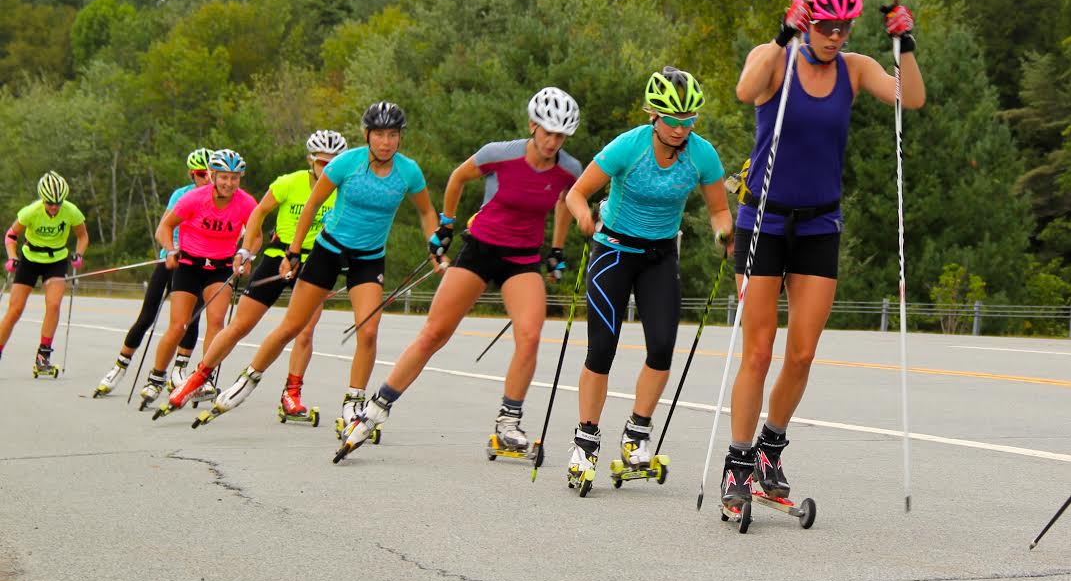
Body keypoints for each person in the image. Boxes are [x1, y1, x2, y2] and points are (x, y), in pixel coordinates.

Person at [719, 0, 924, 519]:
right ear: (807, 16)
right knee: (758, 351)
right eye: (827, 24)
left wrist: (905, 42)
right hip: (762, 220)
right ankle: (736, 464)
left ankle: (770, 451)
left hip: (818, 224)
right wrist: (785, 33)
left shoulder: (855, 69)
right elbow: (744, 90)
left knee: (803, 353)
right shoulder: (778, 59)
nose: (836, 36)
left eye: (846, 26)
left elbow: (911, 98)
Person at [336, 89, 581, 462]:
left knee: (530, 337)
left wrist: (558, 249)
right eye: (547, 132)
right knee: (434, 333)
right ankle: (374, 410)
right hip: (480, 250)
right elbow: (457, 178)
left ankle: (507, 424)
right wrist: (447, 224)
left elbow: (566, 201)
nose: (552, 141)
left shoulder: (569, 169)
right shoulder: (500, 154)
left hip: (522, 259)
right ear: (532, 125)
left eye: (560, 136)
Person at [189, 102, 439, 433]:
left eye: (393, 135)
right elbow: (311, 207)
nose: (386, 142)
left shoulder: (408, 172)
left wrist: (435, 241)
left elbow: (425, 212)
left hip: (368, 257)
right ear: (367, 135)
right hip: (329, 249)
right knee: (293, 326)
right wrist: (293, 252)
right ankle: (248, 379)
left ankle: (353, 403)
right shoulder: (347, 163)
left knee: (368, 330)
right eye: (379, 134)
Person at [556, 69, 731, 491]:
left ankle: (636, 435)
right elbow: (575, 194)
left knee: (662, 346)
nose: (680, 128)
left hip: (659, 256)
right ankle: (586, 440)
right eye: (672, 119)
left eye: (688, 119)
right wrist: (583, 216)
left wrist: (724, 234)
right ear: (653, 114)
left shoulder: (702, 155)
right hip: (613, 250)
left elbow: (719, 210)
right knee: (602, 348)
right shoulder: (628, 147)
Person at [184, 130, 347, 423]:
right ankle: (198, 377)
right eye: (322, 162)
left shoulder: (343, 188)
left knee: (306, 331)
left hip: (317, 260)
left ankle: (292, 394)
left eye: (334, 162)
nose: (328, 168)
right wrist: (246, 251)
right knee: (241, 324)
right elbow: (258, 213)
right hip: (280, 256)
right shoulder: (289, 182)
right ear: (311, 161)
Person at [146, 150, 256, 412]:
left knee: (217, 321)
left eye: (235, 178)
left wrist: (246, 253)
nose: (229, 184)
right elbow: (164, 227)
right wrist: (170, 250)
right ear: (213, 176)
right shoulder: (194, 198)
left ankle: (202, 377)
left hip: (220, 267)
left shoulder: (246, 203)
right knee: (179, 325)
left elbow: (255, 234)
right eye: (224, 178)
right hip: (189, 264)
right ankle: (156, 377)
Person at [95, 149, 209, 398]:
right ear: (192, 174)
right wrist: (171, 250)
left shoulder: (218, 199)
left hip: (197, 265)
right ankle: (119, 367)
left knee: (190, 320)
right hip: (170, 261)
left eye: (211, 174)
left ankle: (179, 371)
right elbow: (164, 228)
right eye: (202, 174)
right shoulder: (182, 195)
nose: (207, 179)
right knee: (146, 317)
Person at [0, 172, 88, 378]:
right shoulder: (30, 211)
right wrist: (12, 256)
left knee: (54, 304)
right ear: (43, 199)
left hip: (56, 261)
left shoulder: (71, 211)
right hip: (30, 259)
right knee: (15, 310)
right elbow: (11, 235)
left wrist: (79, 254)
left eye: (58, 203)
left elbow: (82, 235)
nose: (54, 207)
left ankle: (43, 356)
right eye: (50, 203)